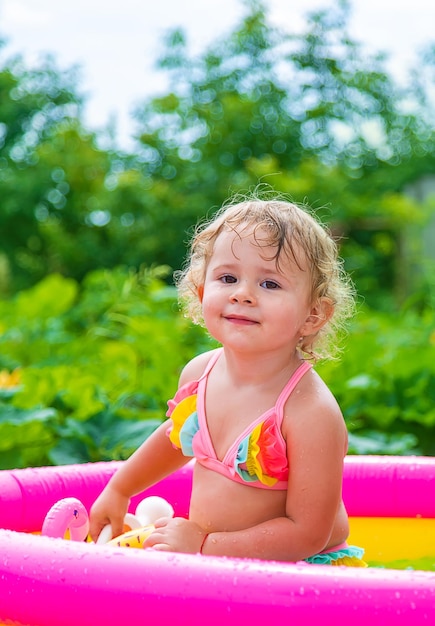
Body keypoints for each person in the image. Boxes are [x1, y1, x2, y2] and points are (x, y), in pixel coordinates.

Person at [89, 194, 366, 565]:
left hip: (299, 575)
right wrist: (120, 488)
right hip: (214, 564)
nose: (243, 294)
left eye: (270, 284)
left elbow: (308, 533)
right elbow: (175, 438)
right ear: (202, 290)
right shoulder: (199, 374)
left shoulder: (309, 412)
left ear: (313, 315)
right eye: (228, 277)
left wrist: (205, 546)